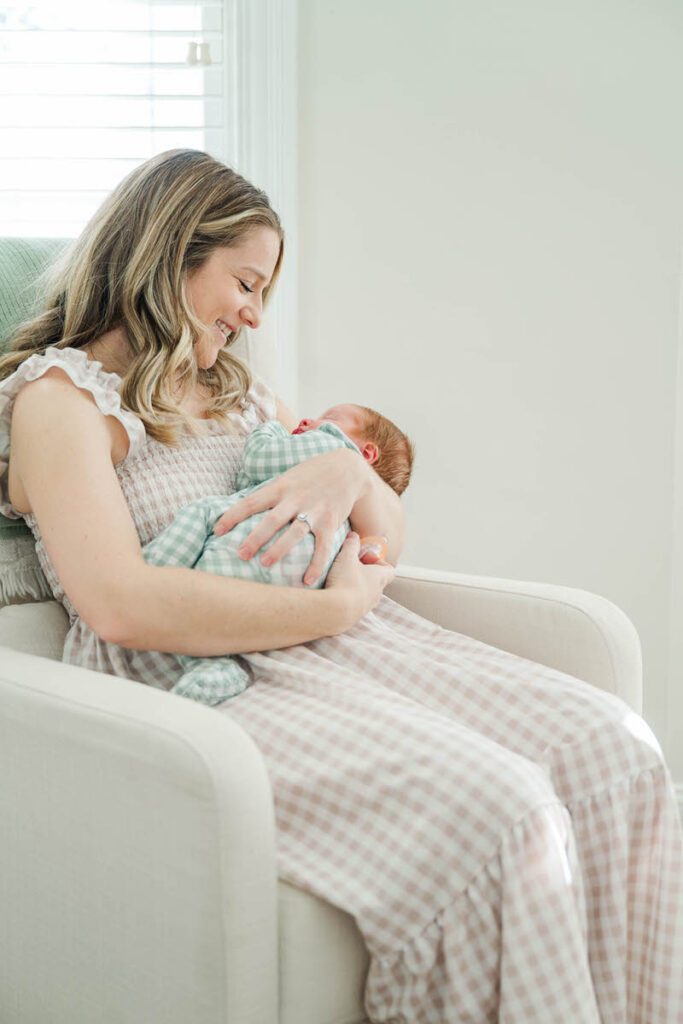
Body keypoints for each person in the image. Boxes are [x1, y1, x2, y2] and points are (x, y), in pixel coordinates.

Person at [0, 148, 681, 1023]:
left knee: (612, 747)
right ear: (170, 255)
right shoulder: (64, 402)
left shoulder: (237, 394)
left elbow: (384, 533)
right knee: (501, 810)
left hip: (344, 640)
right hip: (205, 673)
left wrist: (347, 481)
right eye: (244, 284)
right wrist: (334, 603)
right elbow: (119, 603)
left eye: (262, 296)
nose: (249, 316)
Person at [142, 402, 414, 705]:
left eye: (331, 417)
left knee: (203, 514)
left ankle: (153, 572)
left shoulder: (328, 445)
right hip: (305, 586)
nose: (311, 419)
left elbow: (259, 461)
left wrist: (268, 429)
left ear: (367, 453)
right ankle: (216, 667)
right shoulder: (350, 506)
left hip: (250, 552)